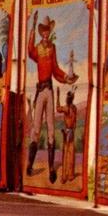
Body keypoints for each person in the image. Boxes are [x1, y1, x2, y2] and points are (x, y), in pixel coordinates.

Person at [26, 12, 78, 183]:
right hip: (40, 91)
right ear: (41, 33)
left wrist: (66, 78)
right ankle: (30, 165)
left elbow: (55, 69)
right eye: (44, 31)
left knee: (50, 128)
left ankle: (50, 170)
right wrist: (32, 28)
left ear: (50, 32)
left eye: (48, 31)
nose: (46, 34)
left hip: (49, 88)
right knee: (35, 128)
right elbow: (29, 51)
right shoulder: (39, 49)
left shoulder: (52, 48)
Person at [56, 87, 78, 183]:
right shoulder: (74, 108)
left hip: (68, 132)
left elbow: (57, 108)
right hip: (71, 132)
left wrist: (57, 95)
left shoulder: (67, 108)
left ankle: (64, 176)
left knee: (66, 154)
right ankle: (70, 175)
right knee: (71, 153)